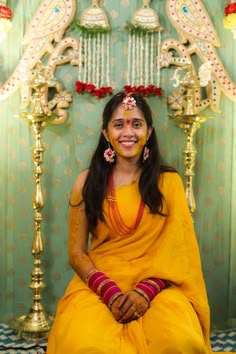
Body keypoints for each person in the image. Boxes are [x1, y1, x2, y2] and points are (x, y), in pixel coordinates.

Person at [46, 92, 212, 354]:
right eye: (118, 124)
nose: (128, 132)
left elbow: (179, 252)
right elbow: (76, 253)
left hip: (158, 285)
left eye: (136, 123)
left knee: (178, 342)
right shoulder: (87, 183)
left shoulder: (169, 182)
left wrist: (144, 292)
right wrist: (109, 292)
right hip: (99, 283)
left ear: (149, 130)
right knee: (83, 345)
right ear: (105, 132)